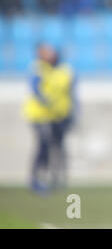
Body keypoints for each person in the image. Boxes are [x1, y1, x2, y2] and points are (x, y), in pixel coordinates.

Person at [23, 44, 76, 194]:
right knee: (43, 144)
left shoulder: (63, 70)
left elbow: (71, 92)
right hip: (39, 116)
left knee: (57, 146)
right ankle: (36, 178)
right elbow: (34, 88)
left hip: (57, 116)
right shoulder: (38, 68)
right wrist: (46, 101)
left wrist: (72, 113)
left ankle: (56, 178)